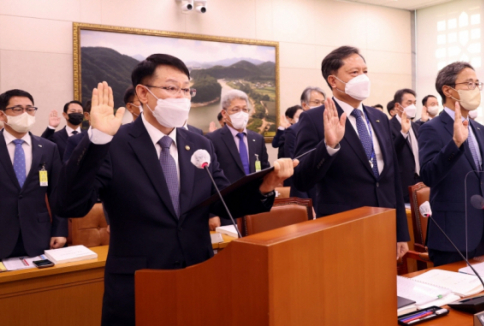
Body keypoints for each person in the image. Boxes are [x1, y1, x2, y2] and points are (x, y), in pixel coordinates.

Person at [51, 54, 295, 326]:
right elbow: (69, 205)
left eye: (186, 89)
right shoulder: (113, 143)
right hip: (138, 283)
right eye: (170, 88)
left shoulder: (198, 142)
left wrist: (265, 186)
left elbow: (223, 201)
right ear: (143, 93)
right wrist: (98, 139)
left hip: (197, 275)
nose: (181, 97)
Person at [293, 46, 410, 259]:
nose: (363, 78)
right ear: (333, 81)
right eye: (354, 73)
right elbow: (301, 179)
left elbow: (392, 179)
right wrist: (328, 147)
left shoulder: (379, 117)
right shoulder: (314, 119)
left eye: (365, 71)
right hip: (343, 227)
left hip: (383, 224)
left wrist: (401, 232)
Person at [418, 62, 484, 266]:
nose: (475, 89)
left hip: (481, 232)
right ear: (448, 90)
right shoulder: (432, 128)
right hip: (451, 232)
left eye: (477, 84)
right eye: (469, 83)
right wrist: (455, 144)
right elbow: (428, 175)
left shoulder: (480, 129)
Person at [0, 89, 67, 259]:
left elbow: (57, 193)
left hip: (38, 234)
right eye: (18, 109)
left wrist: (59, 230)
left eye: (30, 109)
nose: (25, 114)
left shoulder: (48, 148)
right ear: (2, 115)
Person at [205, 89, 271, 226]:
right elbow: (207, 180)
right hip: (226, 210)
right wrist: (212, 214)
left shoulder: (257, 139)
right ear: (224, 113)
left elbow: (264, 170)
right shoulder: (211, 140)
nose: (241, 113)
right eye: (235, 110)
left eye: (245, 109)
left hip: (254, 206)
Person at [287, 87, 326, 199]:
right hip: (306, 191)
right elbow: (294, 166)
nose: (321, 106)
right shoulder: (293, 130)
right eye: (316, 102)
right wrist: (304, 202)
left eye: (323, 102)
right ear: (304, 105)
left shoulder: (329, 128)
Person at [390, 88, 421, 203]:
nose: (412, 106)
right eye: (409, 103)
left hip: (420, 181)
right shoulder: (389, 126)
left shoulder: (417, 126)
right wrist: (403, 133)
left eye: (414, 103)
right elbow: (391, 152)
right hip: (402, 183)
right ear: (398, 106)